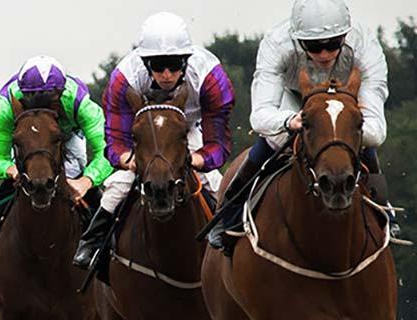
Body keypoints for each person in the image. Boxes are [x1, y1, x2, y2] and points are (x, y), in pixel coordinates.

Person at [204, 0, 395, 255]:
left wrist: (347, 129)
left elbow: (376, 129)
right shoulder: (276, 44)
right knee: (270, 142)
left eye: (333, 44)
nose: (325, 54)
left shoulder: (366, 45)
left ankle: (384, 212)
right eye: (315, 47)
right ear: (298, 39)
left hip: (346, 101)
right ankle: (229, 214)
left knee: (361, 141)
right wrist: (290, 121)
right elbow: (260, 115)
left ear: (345, 36)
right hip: (293, 99)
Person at [73, 12, 235, 274]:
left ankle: (227, 236)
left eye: (174, 65)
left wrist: (195, 160)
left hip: (186, 130)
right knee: (118, 186)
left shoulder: (210, 77)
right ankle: (92, 243)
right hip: (144, 135)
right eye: (159, 66)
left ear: (186, 59)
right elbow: (116, 140)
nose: (167, 74)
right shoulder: (123, 79)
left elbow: (218, 143)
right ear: (145, 63)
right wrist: (130, 160)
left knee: (215, 183)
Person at [0, 55, 110, 268]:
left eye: (50, 97)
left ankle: (105, 252)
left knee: (99, 196)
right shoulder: (6, 106)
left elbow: (106, 152)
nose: (40, 101)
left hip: (67, 137)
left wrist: (86, 182)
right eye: (31, 96)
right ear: (22, 93)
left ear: (62, 92)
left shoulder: (80, 102)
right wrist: (12, 170)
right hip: (28, 141)